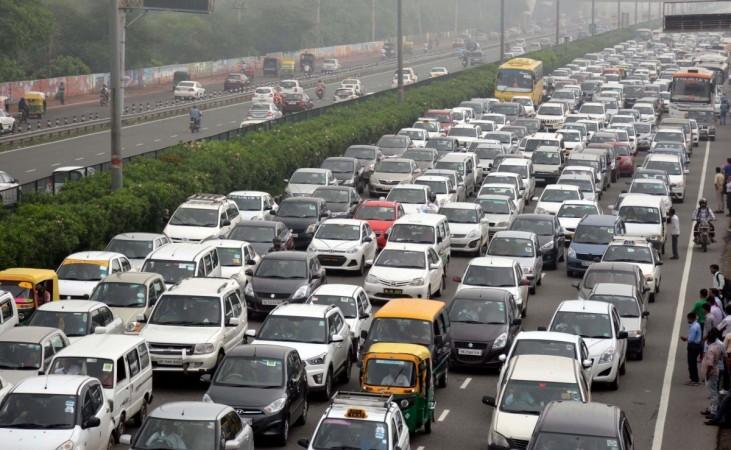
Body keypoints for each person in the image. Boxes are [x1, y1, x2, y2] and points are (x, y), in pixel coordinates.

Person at [701, 328, 725, 417]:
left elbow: (710, 364)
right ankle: (712, 408)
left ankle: (714, 411)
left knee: (713, 392)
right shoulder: (716, 345)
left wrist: (707, 374)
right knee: (712, 392)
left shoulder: (713, 348)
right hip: (715, 370)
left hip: (712, 372)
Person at [681, 311, 703, 385]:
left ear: (691, 318)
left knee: (692, 363)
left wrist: (685, 338)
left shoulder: (693, 327)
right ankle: (693, 378)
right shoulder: (696, 325)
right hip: (696, 345)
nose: (688, 320)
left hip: (693, 346)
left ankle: (695, 379)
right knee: (692, 363)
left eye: (688, 319)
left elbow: (691, 339)